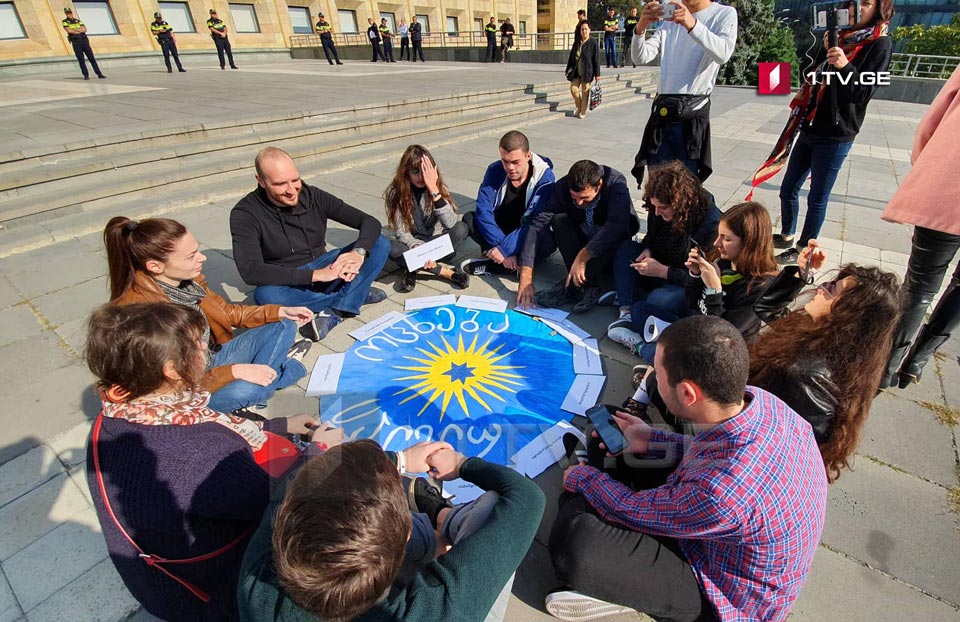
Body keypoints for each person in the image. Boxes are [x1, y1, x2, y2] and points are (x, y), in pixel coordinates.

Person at [547, 315, 828, 622]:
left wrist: (586, 480)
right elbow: (708, 450)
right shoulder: (762, 401)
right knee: (614, 428)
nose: (650, 377)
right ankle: (626, 574)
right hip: (712, 527)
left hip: (719, 589)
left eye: (659, 373)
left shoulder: (725, 493)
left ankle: (638, 593)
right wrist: (653, 439)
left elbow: (633, 508)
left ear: (688, 394)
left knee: (575, 542)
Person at [84, 302, 330, 621]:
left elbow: (216, 425)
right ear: (171, 370)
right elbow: (288, 501)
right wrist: (322, 450)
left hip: (163, 580)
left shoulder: (124, 412)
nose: (207, 348)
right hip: (214, 594)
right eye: (199, 344)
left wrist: (278, 425)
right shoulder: (200, 450)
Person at [237, 440, 546, 622]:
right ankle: (445, 522)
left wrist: (395, 461)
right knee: (495, 521)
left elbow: (298, 483)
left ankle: (441, 519)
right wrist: (461, 463)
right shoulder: (440, 611)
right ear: (405, 537)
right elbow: (526, 499)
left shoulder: (257, 589)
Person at [104, 216, 315, 414]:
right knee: (253, 390)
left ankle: (271, 372)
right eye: (191, 256)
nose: (202, 258)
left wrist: (278, 311)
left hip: (210, 359)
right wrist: (233, 372)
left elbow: (226, 312)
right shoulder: (143, 316)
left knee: (283, 323)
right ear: (155, 266)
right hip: (187, 390)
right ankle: (283, 371)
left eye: (197, 250)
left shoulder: (187, 281)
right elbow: (171, 388)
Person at [767, 0, 894, 264]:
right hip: (811, 124)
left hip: (837, 134)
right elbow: (814, 78)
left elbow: (862, 93)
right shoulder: (840, 39)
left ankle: (804, 248)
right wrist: (826, 55)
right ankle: (788, 234)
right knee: (788, 187)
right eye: (853, 2)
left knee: (817, 198)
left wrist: (844, 65)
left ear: (879, 9)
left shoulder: (880, 43)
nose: (857, 8)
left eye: (866, 3)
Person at [229, 147, 390, 338]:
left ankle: (342, 303)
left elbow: (369, 222)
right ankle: (354, 296)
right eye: (280, 184)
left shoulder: (312, 195)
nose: (291, 190)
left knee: (379, 243)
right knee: (265, 296)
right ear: (261, 181)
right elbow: (251, 270)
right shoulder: (245, 213)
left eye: (295, 180)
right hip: (290, 279)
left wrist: (358, 252)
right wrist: (315, 275)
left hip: (327, 266)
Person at [610, 201, 779, 364]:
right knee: (639, 309)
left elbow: (721, 337)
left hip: (718, 349)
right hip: (697, 325)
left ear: (748, 243)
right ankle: (664, 350)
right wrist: (696, 276)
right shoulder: (724, 261)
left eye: (726, 239)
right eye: (719, 235)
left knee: (679, 360)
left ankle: (643, 348)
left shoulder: (760, 286)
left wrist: (714, 290)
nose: (716, 243)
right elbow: (692, 303)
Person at [879, 66, 960, 388]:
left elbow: (930, 124)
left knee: (920, 287)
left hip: (949, 183)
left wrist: (929, 171)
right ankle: (918, 359)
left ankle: (887, 366)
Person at [604, 161, 720, 341]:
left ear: (681, 203)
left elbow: (700, 279)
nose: (657, 213)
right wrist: (648, 249)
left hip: (680, 282)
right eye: (654, 207)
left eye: (663, 208)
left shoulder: (709, 224)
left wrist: (663, 271)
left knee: (660, 300)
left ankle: (628, 297)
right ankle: (627, 310)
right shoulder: (657, 206)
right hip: (656, 267)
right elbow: (651, 235)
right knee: (627, 248)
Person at [629, 0, 738, 187]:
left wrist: (692, 25)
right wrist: (641, 27)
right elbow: (641, 57)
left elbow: (723, 54)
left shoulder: (724, 14)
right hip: (663, 111)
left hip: (692, 114)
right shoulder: (671, 19)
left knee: (685, 190)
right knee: (657, 188)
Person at [518, 160, 637, 313]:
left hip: (611, 246)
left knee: (614, 235)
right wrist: (526, 276)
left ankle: (574, 288)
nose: (579, 203)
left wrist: (584, 256)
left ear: (598, 185)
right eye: (574, 197)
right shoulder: (562, 187)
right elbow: (538, 225)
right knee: (559, 221)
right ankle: (584, 285)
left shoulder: (615, 183)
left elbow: (617, 225)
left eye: (585, 198)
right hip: (584, 236)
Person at [462, 130, 556, 276]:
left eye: (515, 162)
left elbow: (535, 221)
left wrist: (505, 249)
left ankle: (494, 265)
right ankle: (514, 264)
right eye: (505, 161)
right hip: (500, 229)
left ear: (528, 156)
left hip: (523, 232)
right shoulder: (495, 170)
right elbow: (483, 210)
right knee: (470, 219)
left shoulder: (545, 179)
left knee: (549, 241)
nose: (510, 167)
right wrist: (503, 248)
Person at [384, 145, 470, 292]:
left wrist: (434, 191)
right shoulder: (396, 192)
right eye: (415, 172)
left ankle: (411, 267)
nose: (420, 177)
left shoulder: (437, 187)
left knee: (461, 228)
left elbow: (450, 223)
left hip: (436, 243)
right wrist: (416, 246)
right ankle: (443, 271)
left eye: (424, 172)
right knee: (387, 245)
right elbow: (402, 232)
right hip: (412, 244)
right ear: (406, 172)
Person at [564, 20, 601, 120]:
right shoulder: (577, 42)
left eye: (586, 29)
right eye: (582, 29)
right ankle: (579, 106)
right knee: (573, 89)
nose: (584, 31)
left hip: (587, 72)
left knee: (585, 91)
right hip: (576, 71)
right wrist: (568, 69)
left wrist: (597, 74)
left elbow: (596, 59)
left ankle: (583, 111)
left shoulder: (593, 43)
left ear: (589, 30)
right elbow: (572, 56)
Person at [61, 7, 105, 80]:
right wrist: (79, 30)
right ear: (65, 14)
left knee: (91, 58)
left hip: (84, 40)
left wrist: (75, 30)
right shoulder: (65, 21)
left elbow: (84, 29)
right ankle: (86, 75)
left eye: (70, 12)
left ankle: (99, 73)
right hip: (76, 42)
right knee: (81, 59)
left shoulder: (77, 21)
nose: (69, 14)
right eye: (67, 13)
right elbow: (69, 31)